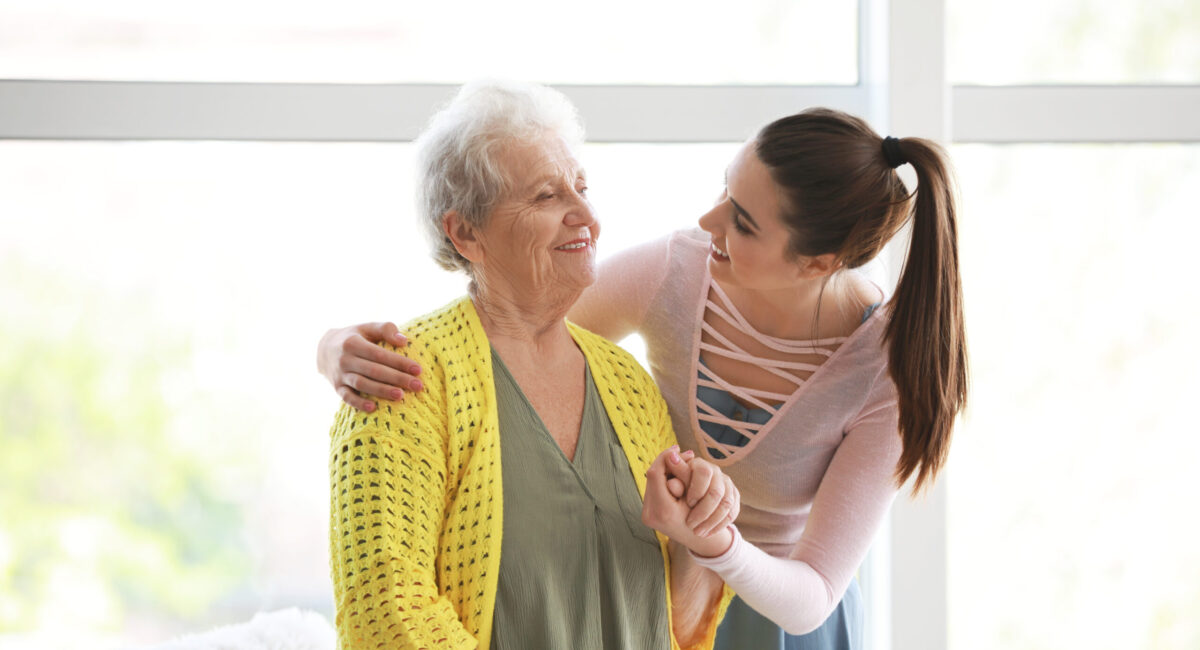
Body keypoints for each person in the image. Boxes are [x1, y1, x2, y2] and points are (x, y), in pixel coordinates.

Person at [320, 103, 968, 649]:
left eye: (743, 221)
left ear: (817, 262)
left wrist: (715, 544)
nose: (708, 221)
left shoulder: (887, 371)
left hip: (771, 610)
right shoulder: (680, 271)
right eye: (725, 191)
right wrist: (335, 347)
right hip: (665, 581)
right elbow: (511, 316)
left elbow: (811, 597)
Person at [326, 80, 740, 650]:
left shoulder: (627, 383)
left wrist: (701, 541)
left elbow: (675, 625)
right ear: (466, 233)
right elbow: (388, 621)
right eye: (547, 196)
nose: (587, 215)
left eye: (582, 187)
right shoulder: (401, 380)